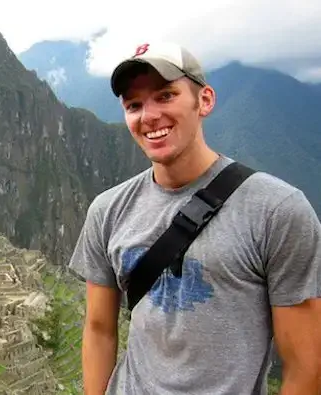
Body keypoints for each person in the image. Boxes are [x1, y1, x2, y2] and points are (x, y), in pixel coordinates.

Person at [68, 42, 321, 395]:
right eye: (134, 105)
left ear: (204, 100)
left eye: (166, 95)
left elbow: (306, 366)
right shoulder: (108, 210)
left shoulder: (277, 210)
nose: (149, 116)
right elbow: (98, 329)